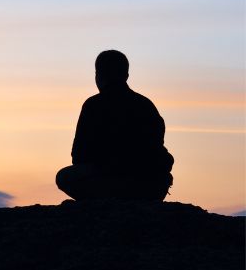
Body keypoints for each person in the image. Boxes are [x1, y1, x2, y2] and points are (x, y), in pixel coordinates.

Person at [56, 50, 174, 200]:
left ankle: (106, 200)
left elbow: (78, 155)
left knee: (64, 177)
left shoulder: (93, 105)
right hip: (152, 187)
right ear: (126, 75)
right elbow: (157, 146)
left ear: (98, 75)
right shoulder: (145, 104)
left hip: (112, 183)